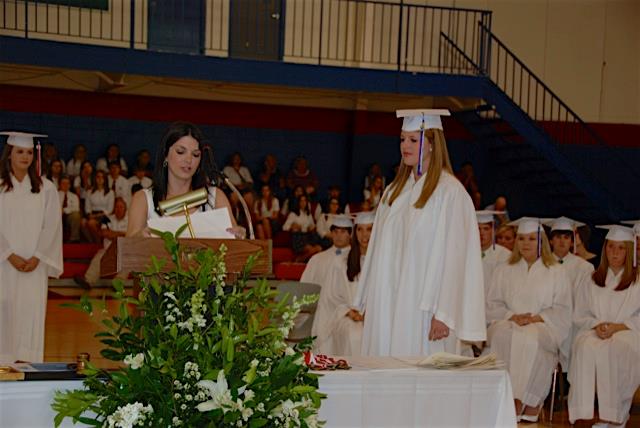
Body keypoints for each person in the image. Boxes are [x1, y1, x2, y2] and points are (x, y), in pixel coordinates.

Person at [354, 109, 486, 357]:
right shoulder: (395, 191)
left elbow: (455, 256)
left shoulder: (449, 192)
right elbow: (376, 250)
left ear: (433, 144)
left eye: (414, 140)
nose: (405, 145)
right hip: (389, 298)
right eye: (403, 139)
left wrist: (444, 313)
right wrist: (369, 298)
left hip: (424, 306)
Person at [485, 217, 571, 423]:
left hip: (544, 326)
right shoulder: (504, 269)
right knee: (502, 334)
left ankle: (522, 399)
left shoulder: (557, 272)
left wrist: (537, 318)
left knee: (529, 337)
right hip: (509, 322)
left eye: (532, 239)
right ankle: (505, 397)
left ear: (542, 241)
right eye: (522, 238)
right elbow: (492, 304)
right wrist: (511, 316)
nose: (525, 243)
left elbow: (562, 309)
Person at [0, 131, 63, 363]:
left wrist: (38, 256)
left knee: (30, 312)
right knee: (3, 312)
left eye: (29, 152)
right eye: (19, 152)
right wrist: (8, 254)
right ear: (9, 154)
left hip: (33, 267)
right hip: (4, 264)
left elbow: (52, 226)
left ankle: (28, 363)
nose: (25, 157)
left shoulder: (45, 189)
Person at [569, 225, 639, 428]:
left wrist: (618, 327)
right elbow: (580, 314)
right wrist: (596, 325)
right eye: (610, 247)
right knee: (585, 346)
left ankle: (614, 416)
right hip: (596, 330)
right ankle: (586, 412)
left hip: (630, 332)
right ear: (604, 249)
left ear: (629, 250)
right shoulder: (592, 279)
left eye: (620, 248)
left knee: (614, 349)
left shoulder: (638, 280)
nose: (614, 253)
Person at [127, 121, 240, 238]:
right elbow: (127, 248)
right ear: (165, 154)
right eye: (181, 152)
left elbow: (234, 241)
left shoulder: (214, 197)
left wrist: (239, 235)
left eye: (195, 154)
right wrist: (140, 237)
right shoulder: (143, 199)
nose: (189, 159)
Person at [312, 212, 374, 356]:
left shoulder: (382, 262)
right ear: (355, 233)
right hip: (346, 316)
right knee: (355, 335)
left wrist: (369, 313)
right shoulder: (342, 262)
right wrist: (349, 312)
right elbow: (330, 296)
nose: (364, 235)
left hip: (374, 317)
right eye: (360, 229)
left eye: (369, 229)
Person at [304, 215, 354, 352]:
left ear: (350, 234)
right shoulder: (317, 259)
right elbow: (306, 286)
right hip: (321, 311)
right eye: (336, 232)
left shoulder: (354, 259)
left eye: (343, 232)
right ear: (331, 233)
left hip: (344, 312)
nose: (339, 236)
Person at [76, 197, 129, 288]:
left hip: (124, 251)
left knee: (129, 259)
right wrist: (122, 234)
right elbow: (105, 233)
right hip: (108, 250)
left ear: (125, 209)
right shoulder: (107, 218)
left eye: (121, 207)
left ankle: (117, 284)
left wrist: (113, 233)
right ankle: (88, 281)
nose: (118, 209)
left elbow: (128, 236)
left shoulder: (130, 220)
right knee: (99, 255)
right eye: (116, 207)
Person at [477, 210, 511, 297]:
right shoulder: (466, 254)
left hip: (494, 304)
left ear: (494, 231)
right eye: (477, 229)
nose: (481, 233)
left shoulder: (505, 255)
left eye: (486, 229)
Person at [282, 193, 322, 261]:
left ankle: (301, 259)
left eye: (305, 201)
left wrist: (311, 228)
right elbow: (284, 227)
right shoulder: (293, 214)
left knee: (319, 248)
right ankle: (300, 259)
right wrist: (292, 226)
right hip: (298, 238)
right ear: (298, 202)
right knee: (310, 249)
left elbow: (313, 226)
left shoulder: (308, 214)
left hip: (308, 236)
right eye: (301, 201)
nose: (303, 203)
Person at [59, 175, 82, 242]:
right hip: (57, 216)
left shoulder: (74, 196)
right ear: (60, 184)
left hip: (69, 217)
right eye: (63, 183)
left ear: (70, 185)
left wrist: (65, 210)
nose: (65, 185)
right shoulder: (55, 195)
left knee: (76, 215)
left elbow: (76, 208)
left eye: (67, 183)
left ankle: (74, 239)